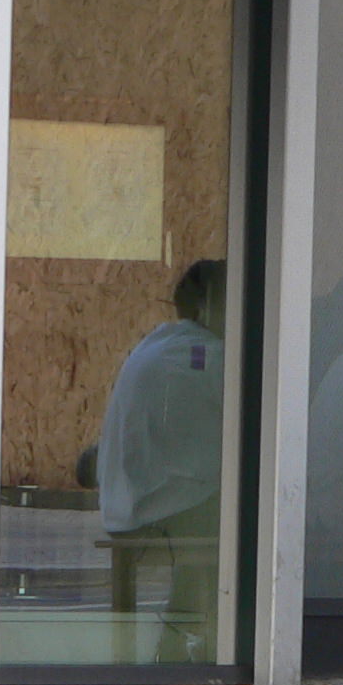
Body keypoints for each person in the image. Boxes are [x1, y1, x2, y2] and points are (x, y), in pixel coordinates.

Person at [95, 259, 226, 661]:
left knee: (212, 500)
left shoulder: (159, 343)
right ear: (209, 305)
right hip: (160, 506)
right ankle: (212, 641)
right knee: (247, 521)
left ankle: (177, 642)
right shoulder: (205, 354)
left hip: (132, 500)